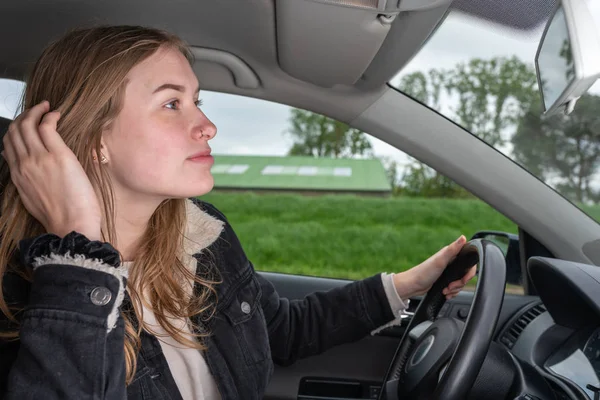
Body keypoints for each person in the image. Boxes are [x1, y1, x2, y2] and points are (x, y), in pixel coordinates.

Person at [0, 26, 476, 400]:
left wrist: (407, 284)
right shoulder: (21, 288)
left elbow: (282, 332)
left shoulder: (200, 233)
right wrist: (77, 253)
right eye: (171, 103)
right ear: (94, 136)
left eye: (197, 102)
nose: (208, 126)